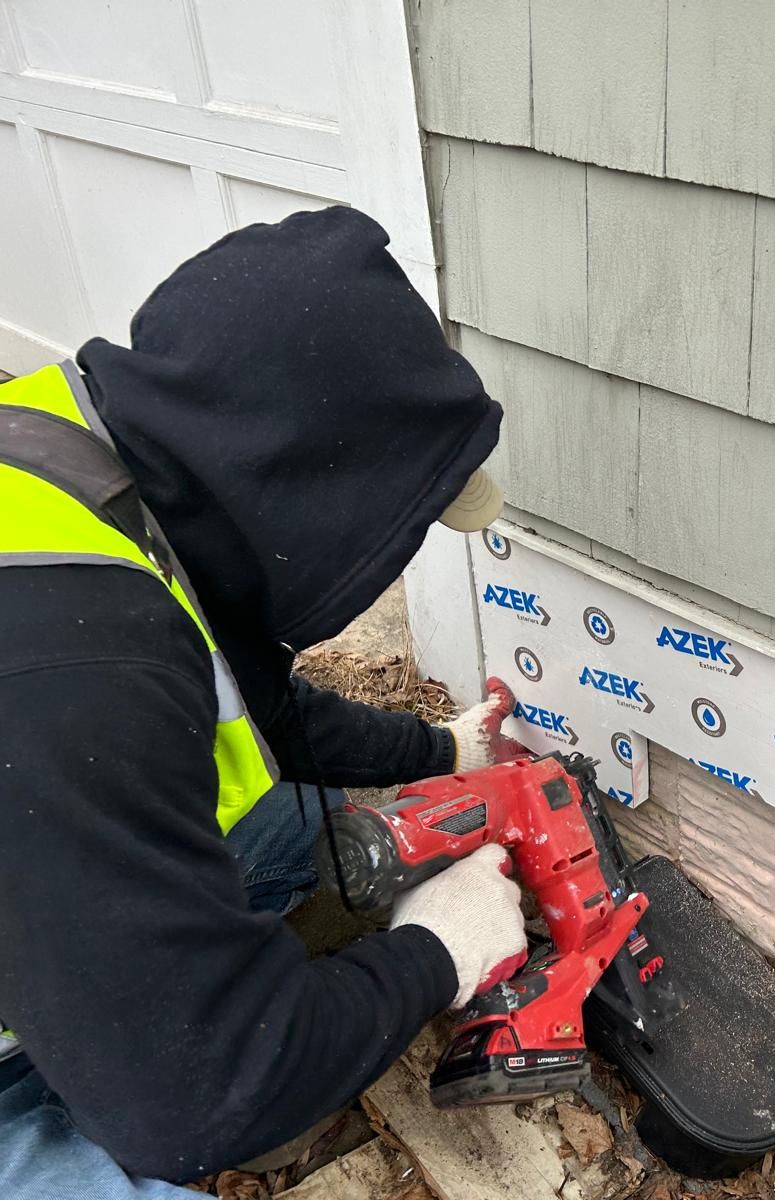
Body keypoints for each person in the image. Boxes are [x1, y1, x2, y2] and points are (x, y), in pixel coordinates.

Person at [0, 207, 534, 1197]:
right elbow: (194, 1100)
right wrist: (435, 955)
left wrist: (444, 752)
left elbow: (256, 706)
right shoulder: (75, 673)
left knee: (294, 828)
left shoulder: (91, 468)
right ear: (317, 496)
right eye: (399, 528)